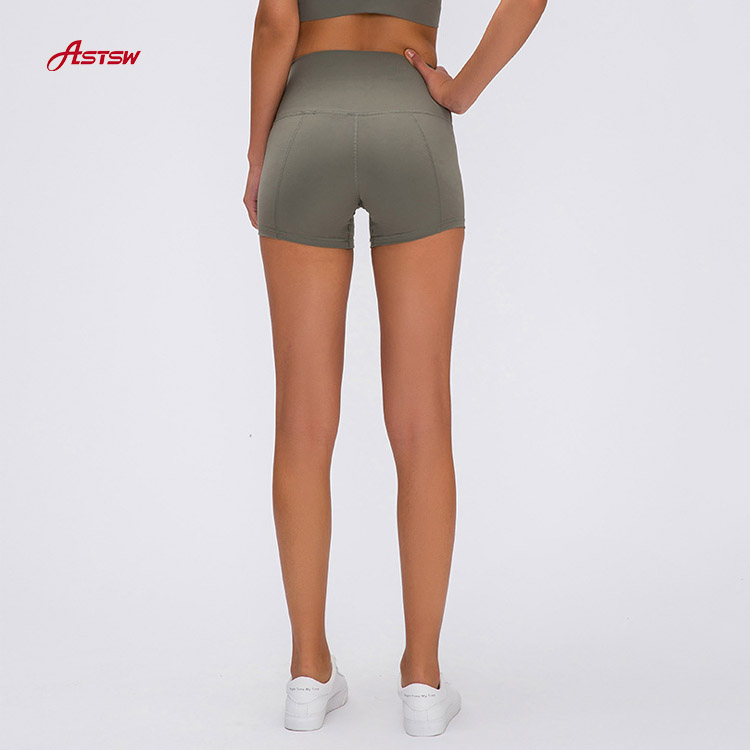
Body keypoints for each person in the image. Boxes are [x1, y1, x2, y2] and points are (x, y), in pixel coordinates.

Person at [243, 0, 547, 736]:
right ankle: (422, 680)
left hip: (305, 125)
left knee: (302, 425)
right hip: (413, 123)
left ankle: (308, 672)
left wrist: (258, 155)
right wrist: (460, 89)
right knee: (422, 423)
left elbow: (277, 23)